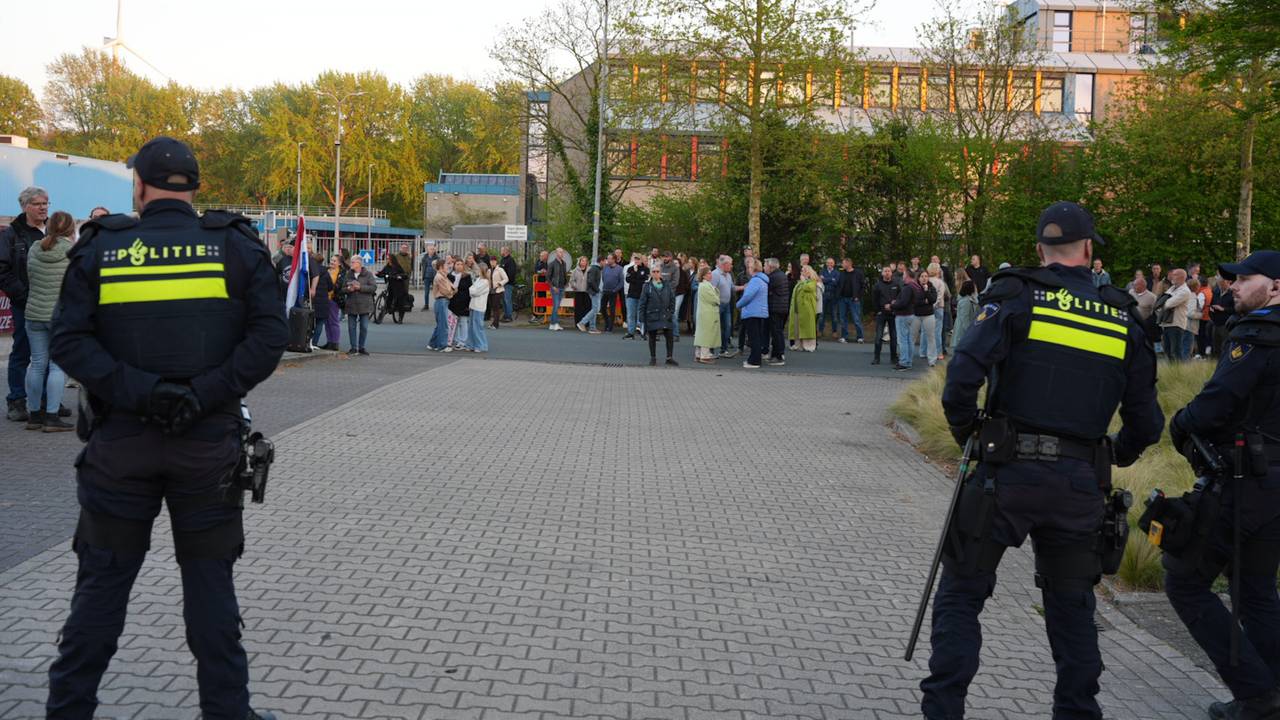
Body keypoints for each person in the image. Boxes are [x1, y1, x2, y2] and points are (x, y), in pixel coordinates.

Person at [46, 136, 286, 720]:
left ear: (140, 185)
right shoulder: (234, 245)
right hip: (206, 451)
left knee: (100, 590)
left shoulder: (103, 246)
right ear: (195, 187)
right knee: (211, 594)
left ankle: (69, 709)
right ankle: (228, 713)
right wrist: (200, 395)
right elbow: (268, 339)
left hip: (120, 448)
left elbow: (69, 341)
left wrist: (144, 394)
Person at [923, 201, 1162, 720]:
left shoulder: (1016, 296)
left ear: (1039, 250)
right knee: (1073, 610)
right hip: (1078, 486)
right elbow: (1147, 423)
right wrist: (1107, 453)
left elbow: (962, 374)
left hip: (1004, 478)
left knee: (962, 595)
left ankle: (944, 710)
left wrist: (973, 435)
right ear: (1089, 250)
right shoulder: (1123, 316)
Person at [1163, 250, 1280, 720]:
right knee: (1255, 590)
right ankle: (1269, 693)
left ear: (1275, 287)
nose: (1232, 286)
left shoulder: (1257, 337)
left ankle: (1256, 693)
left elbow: (1216, 403)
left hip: (1243, 483)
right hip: (1273, 488)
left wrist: (1181, 423)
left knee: (1184, 580)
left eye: (1244, 279)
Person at [22, 210, 74, 432]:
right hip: (59, 316)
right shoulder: (72, 251)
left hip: (33, 313)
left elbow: (29, 277)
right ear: (71, 229)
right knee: (57, 366)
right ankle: (52, 417)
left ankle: (34, 415)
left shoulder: (35, 247)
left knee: (36, 364)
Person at [1, 186, 48, 422]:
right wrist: (22, 294)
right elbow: (2, 270)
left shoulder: (53, 231)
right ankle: (17, 400)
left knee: (49, 353)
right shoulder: (11, 235)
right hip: (24, 303)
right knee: (22, 351)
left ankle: (47, 401)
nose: (43, 207)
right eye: (38, 203)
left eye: (46, 203)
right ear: (25, 206)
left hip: (51, 303)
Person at [638, 266, 677, 366]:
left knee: (669, 336)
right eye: (653, 271)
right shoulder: (647, 286)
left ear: (660, 273)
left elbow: (672, 299)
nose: (655, 273)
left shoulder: (667, 285)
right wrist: (641, 318)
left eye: (657, 271)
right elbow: (642, 303)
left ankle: (669, 357)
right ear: (651, 273)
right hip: (652, 315)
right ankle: (653, 358)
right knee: (652, 337)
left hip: (665, 314)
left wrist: (671, 311)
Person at [737, 259, 769, 369]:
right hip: (759, 312)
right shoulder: (763, 280)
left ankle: (754, 361)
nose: (748, 269)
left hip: (752, 312)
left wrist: (738, 304)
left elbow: (747, 296)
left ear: (753, 268)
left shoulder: (755, 281)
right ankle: (755, 359)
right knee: (757, 337)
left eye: (749, 267)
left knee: (754, 338)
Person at [341, 254, 375, 355]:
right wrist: (348, 289)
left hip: (364, 304)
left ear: (359, 263)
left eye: (353, 262)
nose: (351, 264)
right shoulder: (348, 274)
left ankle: (361, 347)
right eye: (351, 262)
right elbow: (342, 289)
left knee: (364, 327)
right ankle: (353, 347)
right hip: (351, 304)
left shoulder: (368, 274)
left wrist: (360, 287)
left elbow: (373, 287)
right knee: (351, 327)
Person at [1159, 268, 1194, 362]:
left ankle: (1179, 373)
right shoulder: (1173, 288)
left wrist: (1162, 302)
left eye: (1174, 275)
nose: (1171, 277)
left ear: (1181, 277)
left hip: (1176, 324)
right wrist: (1162, 302)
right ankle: (1172, 372)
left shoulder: (1185, 291)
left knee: (1175, 352)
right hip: (1167, 323)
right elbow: (1161, 300)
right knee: (1167, 350)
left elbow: (1167, 304)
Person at [892, 269, 923, 371]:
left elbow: (903, 302)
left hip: (903, 315)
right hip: (911, 314)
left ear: (908, 276)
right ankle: (908, 361)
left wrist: (893, 305)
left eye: (904, 274)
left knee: (903, 340)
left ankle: (904, 362)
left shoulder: (908, 288)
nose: (903, 276)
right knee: (909, 339)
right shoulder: (916, 287)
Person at [309, 254, 341, 351]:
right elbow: (331, 287)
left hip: (313, 300)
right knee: (320, 323)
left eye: (334, 260)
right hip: (324, 301)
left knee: (310, 323)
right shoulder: (325, 272)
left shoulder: (310, 271)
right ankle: (315, 343)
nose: (332, 262)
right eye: (331, 260)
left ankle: (308, 342)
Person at [693, 266, 721, 364]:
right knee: (706, 335)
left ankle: (698, 354)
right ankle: (704, 356)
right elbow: (715, 299)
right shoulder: (705, 286)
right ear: (704, 276)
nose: (711, 275)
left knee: (702, 334)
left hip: (706, 312)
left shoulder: (705, 285)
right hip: (707, 313)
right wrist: (717, 294)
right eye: (708, 273)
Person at [872, 266, 899, 366]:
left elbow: (900, 298)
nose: (887, 273)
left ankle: (894, 358)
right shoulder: (877, 285)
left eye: (889, 271)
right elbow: (874, 300)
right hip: (881, 314)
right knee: (878, 336)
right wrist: (878, 310)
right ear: (882, 273)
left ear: (891, 273)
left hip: (893, 314)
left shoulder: (896, 284)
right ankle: (876, 358)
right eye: (885, 271)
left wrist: (894, 306)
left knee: (894, 337)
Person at [764, 258, 790, 366]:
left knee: (776, 332)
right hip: (782, 308)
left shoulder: (773, 277)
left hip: (776, 308)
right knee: (777, 332)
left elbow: (766, 288)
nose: (764, 268)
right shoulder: (781, 275)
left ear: (771, 267)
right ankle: (776, 354)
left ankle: (779, 356)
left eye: (765, 266)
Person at [788, 265, 819, 352]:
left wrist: (804, 281)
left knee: (807, 327)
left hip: (807, 309)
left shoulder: (812, 281)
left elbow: (808, 288)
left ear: (809, 272)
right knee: (797, 328)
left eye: (804, 270)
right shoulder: (800, 282)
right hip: (797, 309)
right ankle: (798, 345)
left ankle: (809, 346)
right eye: (802, 270)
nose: (802, 272)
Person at [710, 256, 736, 358]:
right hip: (718, 305)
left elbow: (732, 288)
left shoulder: (728, 275)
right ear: (724, 264)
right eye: (730, 264)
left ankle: (723, 349)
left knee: (727, 327)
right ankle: (710, 350)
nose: (732, 266)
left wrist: (744, 287)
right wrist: (715, 302)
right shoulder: (715, 274)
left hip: (727, 305)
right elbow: (711, 290)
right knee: (714, 327)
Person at [427, 259, 455, 351]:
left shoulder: (443, 276)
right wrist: (452, 292)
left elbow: (452, 288)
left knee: (440, 324)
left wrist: (452, 290)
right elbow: (447, 291)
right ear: (441, 267)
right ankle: (443, 345)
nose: (448, 267)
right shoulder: (440, 277)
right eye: (446, 265)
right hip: (442, 300)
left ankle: (432, 344)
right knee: (443, 325)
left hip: (442, 301)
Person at [950, 271, 978, 352]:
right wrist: (969, 331)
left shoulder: (966, 299)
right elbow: (965, 318)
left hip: (961, 328)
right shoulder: (966, 301)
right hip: (963, 330)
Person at [928, 262, 951, 361]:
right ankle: (938, 352)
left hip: (927, 308)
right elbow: (940, 296)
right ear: (937, 270)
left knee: (927, 331)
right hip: (939, 307)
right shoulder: (940, 282)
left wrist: (929, 305)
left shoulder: (926, 281)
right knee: (937, 331)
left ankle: (926, 351)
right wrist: (935, 304)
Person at [449, 259, 473, 349]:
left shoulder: (467, 276)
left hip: (464, 302)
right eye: (457, 264)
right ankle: (456, 339)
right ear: (454, 265)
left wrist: (468, 303)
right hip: (453, 302)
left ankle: (463, 341)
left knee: (463, 322)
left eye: (460, 264)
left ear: (463, 266)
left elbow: (469, 290)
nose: (459, 266)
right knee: (454, 322)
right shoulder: (450, 276)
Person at [1210, 275, 1235, 358]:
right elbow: (1211, 303)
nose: (1220, 286)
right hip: (1215, 323)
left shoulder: (1233, 293)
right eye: (1219, 284)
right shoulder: (1216, 291)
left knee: (1225, 346)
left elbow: (1236, 309)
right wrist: (1211, 309)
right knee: (1215, 346)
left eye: (1222, 284)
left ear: (1228, 282)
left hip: (1226, 324)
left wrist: (1223, 309)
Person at [467, 265, 490, 352]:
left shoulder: (485, 282)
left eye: (478, 270)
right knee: (471, 326)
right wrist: (472, 290)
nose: (477, 271)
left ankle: (481, 346)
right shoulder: (478, 280)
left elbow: (475, 292)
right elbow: (471, 289)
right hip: (473, 305)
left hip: (479, 307)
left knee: (478, 327)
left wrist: (472, 290)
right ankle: (472, 345)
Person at [578, 256, 603, 333]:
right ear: (601, 261)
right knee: (596, 309)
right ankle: (582, 323)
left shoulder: (596, 269)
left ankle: (592, 328)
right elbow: (591, 281)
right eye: (605, 261)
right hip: (595, 292)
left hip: (595, 291)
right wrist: (597, 289)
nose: (606, 262)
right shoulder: (594, 269)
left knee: (594, 309)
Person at [547, 248, 568, 330]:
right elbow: (548, 277)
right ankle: (555, 323)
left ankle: (552, 324)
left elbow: (564, 274)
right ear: (556, 253)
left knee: (557, 306)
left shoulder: (564, 263)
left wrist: (566, 284)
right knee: (555, 306)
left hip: (562, 287)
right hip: (555, 288)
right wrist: (553, 286)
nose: (561, 253)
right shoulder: (552, 264)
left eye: (562, 252)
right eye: (560, 252)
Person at [601, 254, 623, 333]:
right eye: (608, 258)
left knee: (612, 309)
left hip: (613, 292)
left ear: (614, 260)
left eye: (610, 259)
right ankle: (607, 322)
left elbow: (621, 282)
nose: (608, 260)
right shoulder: (605, 267)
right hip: (605, 290)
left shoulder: (619, 269)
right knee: (602, 308)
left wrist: (615, 290)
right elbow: (603, 278)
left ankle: (610, 327)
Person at [487, 257, 507, 330]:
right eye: (491, 261)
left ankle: (496, 324)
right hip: (490, 291)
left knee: (496, 307)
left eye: (494, 261)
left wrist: (500, 283)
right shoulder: (489, 270)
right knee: (492, 307)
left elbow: (506, 279)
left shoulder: (500, 269)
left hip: (498, 290)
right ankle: (493, 323)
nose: (492, 262)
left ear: (496, 262)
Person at [499, 246, 519, 322]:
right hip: (502, 284)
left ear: (505, 251)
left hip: (508, 284)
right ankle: (505, 315)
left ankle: (509, 316)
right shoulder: (502, 260)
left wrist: (505, 281)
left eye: (501, 250)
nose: (500, 252)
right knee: (503, 300)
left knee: (507, 300)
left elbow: (511, 273)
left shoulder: (511, 261)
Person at [419, 242, 438, 310]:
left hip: (435, 277)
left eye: (433, 249)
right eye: (430, 249)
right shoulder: (424, 257)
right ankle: (426, 305)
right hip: (427, 276)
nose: (432, 250)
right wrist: (423, 275)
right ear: (427, 250)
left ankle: (436, 305)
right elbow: (423, 266)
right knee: (426, 292)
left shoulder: (437, 257)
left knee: (436, 292)